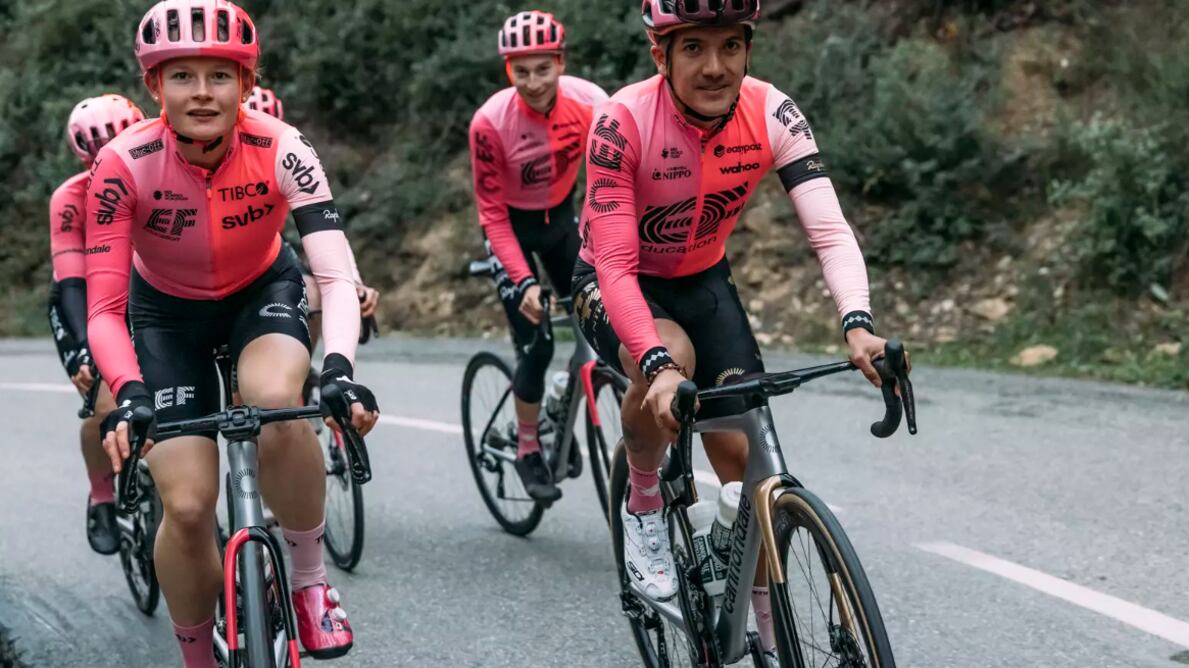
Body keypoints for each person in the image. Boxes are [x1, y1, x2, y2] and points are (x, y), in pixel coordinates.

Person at [571, 0, 892, 660]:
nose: (713, 67)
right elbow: (614, 262)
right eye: (693, 48)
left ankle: (767, 631)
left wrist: (857, 323)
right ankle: (640, 503)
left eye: (728, 47)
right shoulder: (621, 120)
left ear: (748, 49)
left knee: (747, 465)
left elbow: (828, 231)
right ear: (661, 56)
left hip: (703, 279)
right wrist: (656, 364)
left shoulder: (772, 112)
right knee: (671, 360)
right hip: (614, 281)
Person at [84, 2, 378, 664]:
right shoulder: (121, 163)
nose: (201, 93)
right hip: (164, 317)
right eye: (181, 76)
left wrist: (336, 370)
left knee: (276, 398)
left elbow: (333, 277)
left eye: (219, 76)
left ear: (246, 84)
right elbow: (103, 309)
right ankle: (196, 656)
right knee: (186, 508)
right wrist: (127, 390)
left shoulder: (282, 145)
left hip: (261, 293)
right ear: (154, 87)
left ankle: (309, 584)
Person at [468, 10, 608, 502]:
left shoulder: (592, 102)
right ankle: (528, 448)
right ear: (508, 70)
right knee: (539, 343)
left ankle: (559, 403)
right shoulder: (490, 122)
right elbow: (490, 213)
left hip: (564, 220)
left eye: (542, 69)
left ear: (560, 63)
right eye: (520, 71)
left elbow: (611, 179)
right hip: (511, 228)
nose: (532, 82)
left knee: (605, 322)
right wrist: (525, 282)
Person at [49, 93, 145, 555]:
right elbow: (72, 284)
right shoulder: (69, 199)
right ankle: (102, 498)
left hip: (139, 294)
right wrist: (87, 349)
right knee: (103, 399)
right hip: (82, 298)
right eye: (98, 157)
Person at [243, 85, 380, 353]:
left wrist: (352, 281)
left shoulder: (287, 158)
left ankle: (304, 369)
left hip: (275, 251)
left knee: (312, 292)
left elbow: (326, 231)